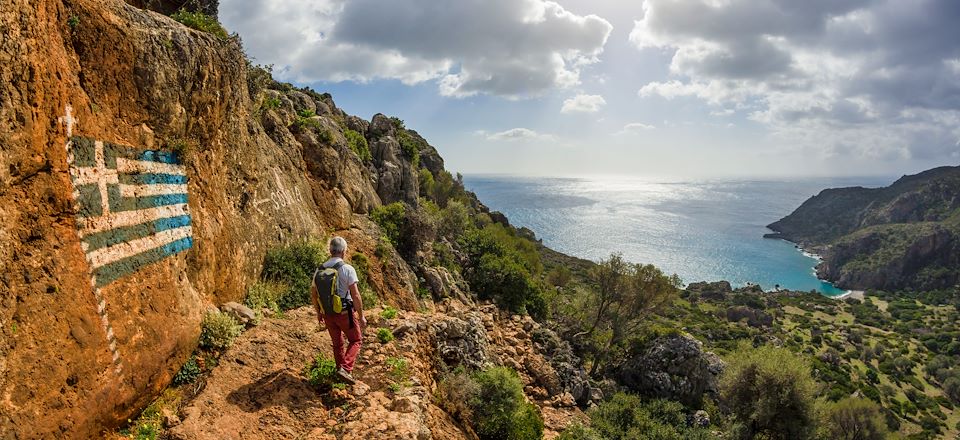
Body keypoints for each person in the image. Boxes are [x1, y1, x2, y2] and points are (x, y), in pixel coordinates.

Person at [311, 236, 366, 384]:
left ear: (330, 250)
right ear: (344, 251)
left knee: (337, 344)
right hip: (344, 313)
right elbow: (355, 295)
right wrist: (361, 316)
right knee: (356, 340)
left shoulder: (319, 269)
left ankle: (340, 373)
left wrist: (318, 312)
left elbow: (314, 294)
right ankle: (346, 369)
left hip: (328, 314)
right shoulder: (347, 269)